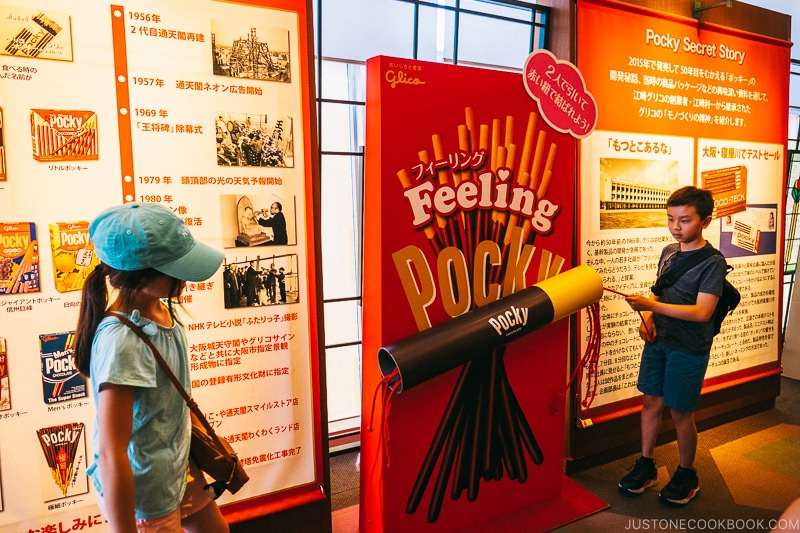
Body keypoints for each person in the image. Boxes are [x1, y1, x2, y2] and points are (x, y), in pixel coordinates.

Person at [73, 203, 229, 533]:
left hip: (174, 467)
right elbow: (111, 449)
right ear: (138, 276)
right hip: (143, 491)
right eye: (174, 270)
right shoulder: (123, 341)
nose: (186, 278)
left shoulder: (159, 309)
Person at [619, 186, 727, 505]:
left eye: (685, 220)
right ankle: (647, 464)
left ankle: (686, 473)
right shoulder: (668, 252)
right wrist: (648, 319)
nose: (676, 227)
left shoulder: (713, 262)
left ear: (706, 221)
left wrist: (649, 308)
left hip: (688, 347)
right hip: (659, 341)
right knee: (651, 402)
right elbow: (659, 293)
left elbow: (702, 312)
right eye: (671, 219)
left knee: (681, 413)